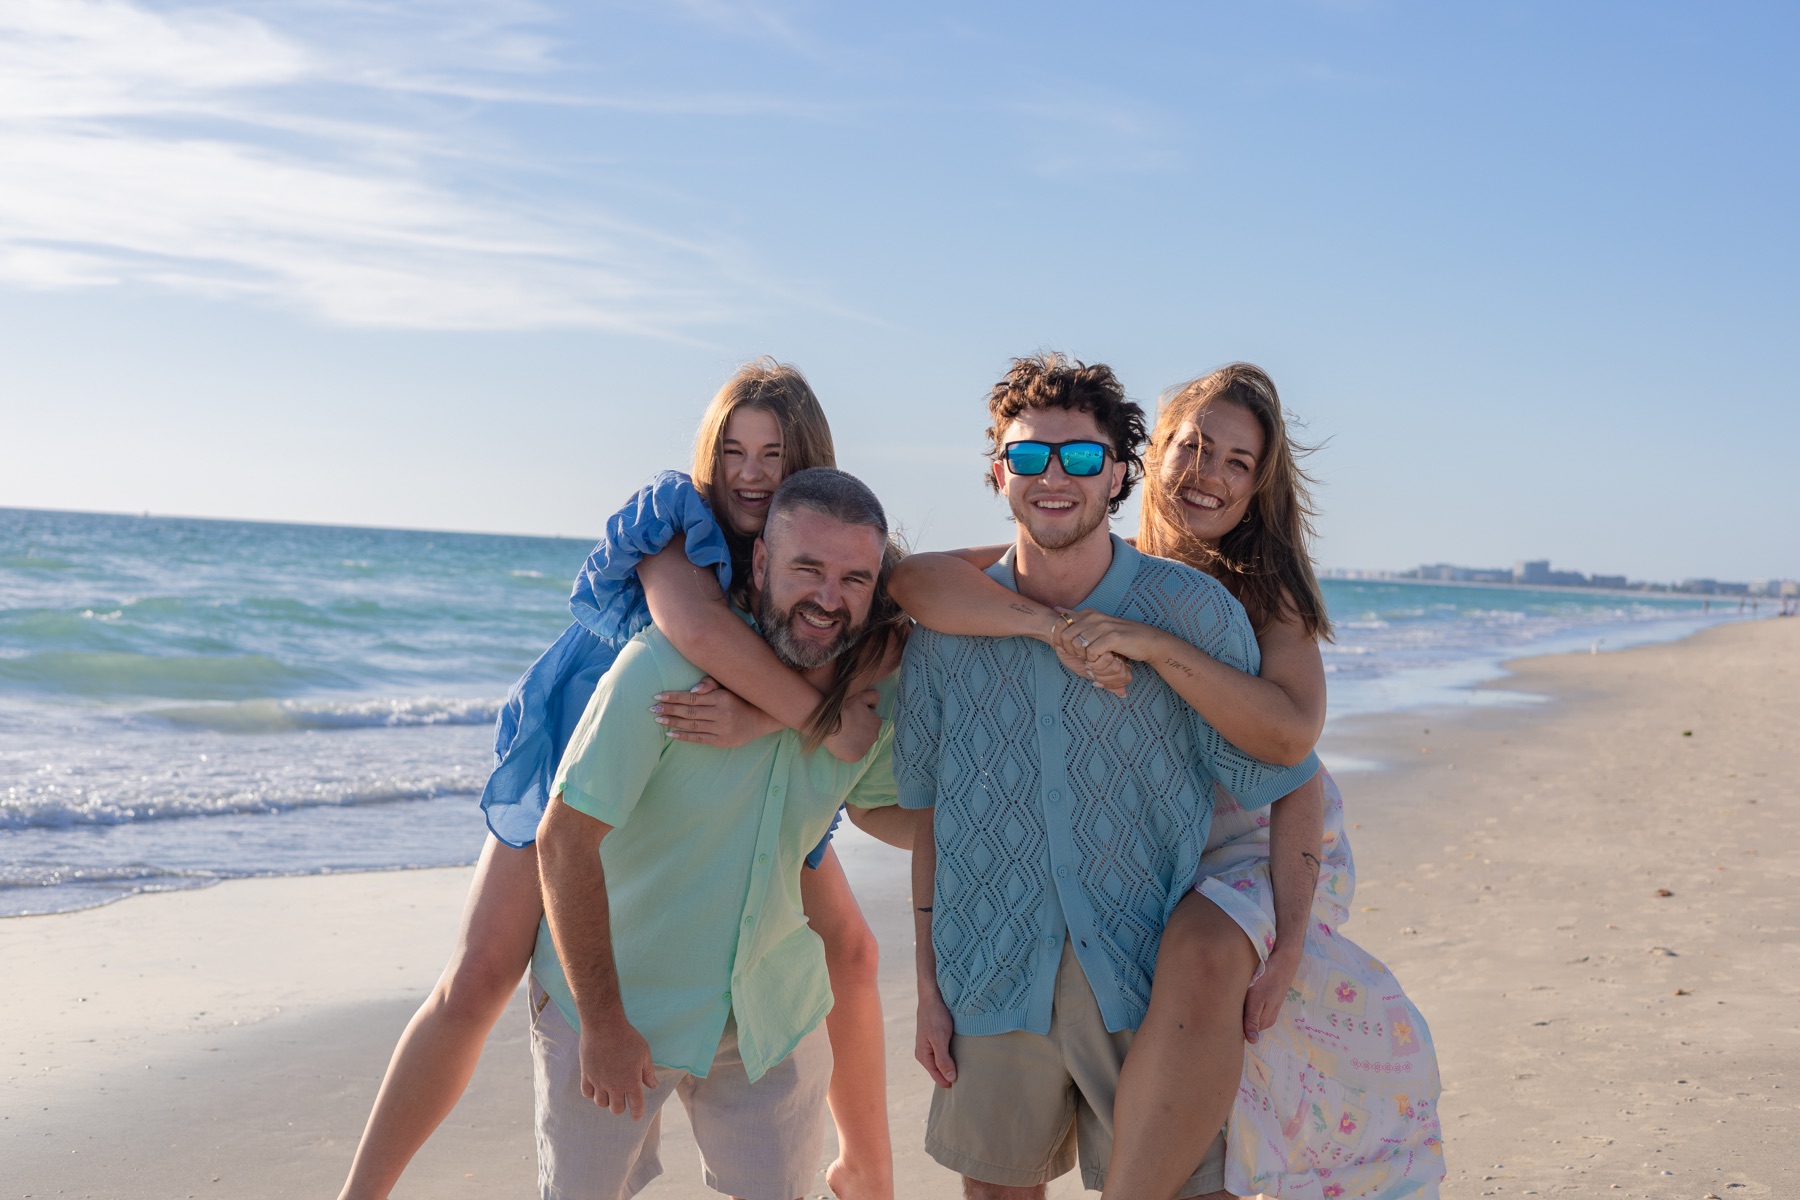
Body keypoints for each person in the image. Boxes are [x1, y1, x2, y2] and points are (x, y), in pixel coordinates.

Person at [338, 362, 896, 1200]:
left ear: (805, 461)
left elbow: (894, 615)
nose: (749, 472)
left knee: (849, 947)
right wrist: (805, 716)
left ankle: (866, 1170)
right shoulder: (678, 525)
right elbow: (699, 632)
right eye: (732, 449)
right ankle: (363, 1192)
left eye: (772, 453)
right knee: (482, 972)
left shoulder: (819, 550)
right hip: (602, 736)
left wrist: (783, 718)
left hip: (729, 772)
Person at [890, 363, 1443, 1198]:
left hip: (1237, 857)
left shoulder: (1246, 604)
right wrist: (1057, 631)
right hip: (1018, 939)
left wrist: (1290, 940)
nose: (1208, 474)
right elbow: (914, 584)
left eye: (1237, 462)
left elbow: (1292, 757)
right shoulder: (1001, 587)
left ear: (1117, 469)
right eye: (1195, 446)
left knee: (1205, 970)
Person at [533, 468, 904, 1200]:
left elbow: (879, 810)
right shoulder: (662, 669)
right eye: (808, 569)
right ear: (761, 563)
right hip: (615, 1005)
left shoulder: (862, 696)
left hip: (771, 1019)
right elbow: (562, 842)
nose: (829, 599)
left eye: (854, 578)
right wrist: (604, 1024)